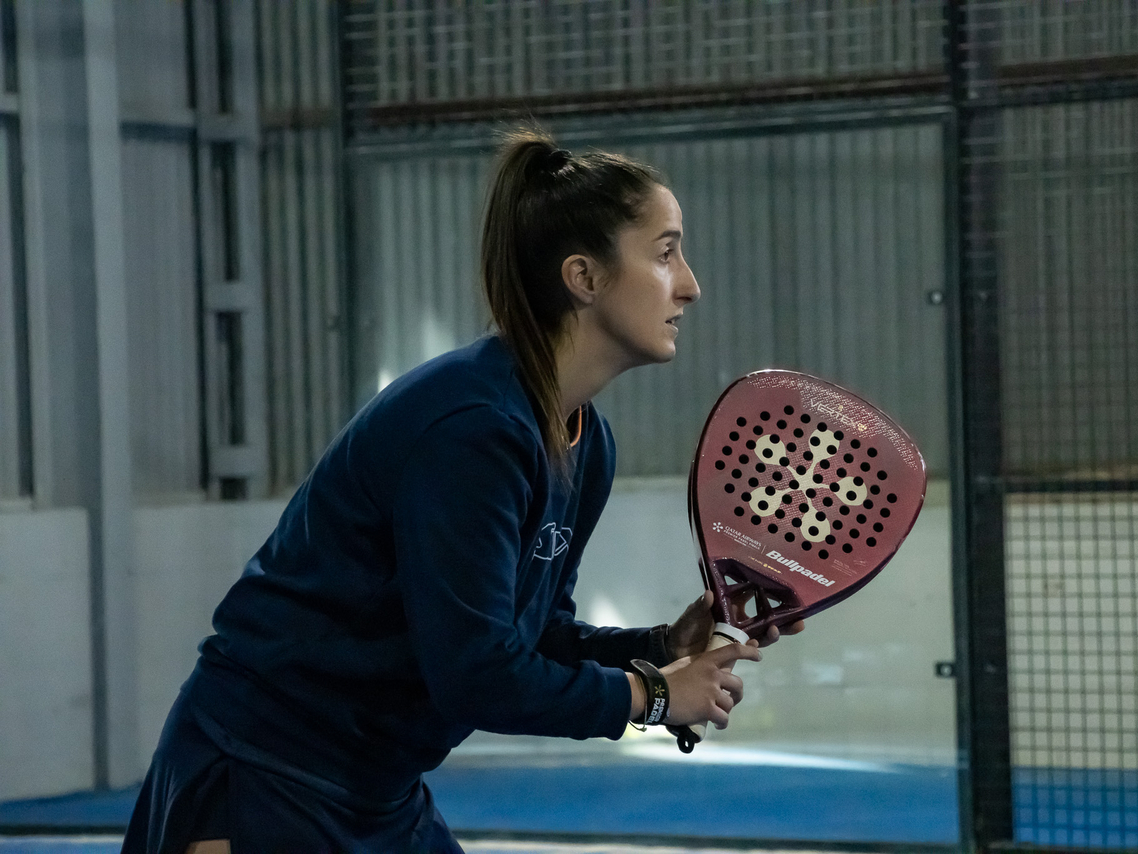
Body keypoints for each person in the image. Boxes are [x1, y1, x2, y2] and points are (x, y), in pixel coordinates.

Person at [121, 128, 800, 854]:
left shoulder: (587, 443)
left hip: (376, 788)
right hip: (265, 770)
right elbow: (477, 676)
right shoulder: (472, 430)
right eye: (665, 253)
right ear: (584, 277)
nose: (689, 284)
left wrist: (662, 646)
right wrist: (655, 696)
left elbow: (531, 637)